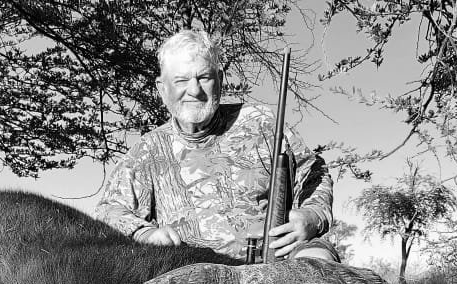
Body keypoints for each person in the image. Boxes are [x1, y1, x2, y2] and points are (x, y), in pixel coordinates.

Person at [95, 29, 337, 261]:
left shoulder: (262, 123)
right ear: (162, 88)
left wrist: (312, 216)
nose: (195, 90)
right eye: (181, 80)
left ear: (219, 79)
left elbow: (314, 172)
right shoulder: (146, 151)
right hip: (194, 274)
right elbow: (109, 211)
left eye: (204, 77)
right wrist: (145, 233)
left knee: (317, 258)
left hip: (282, 259)